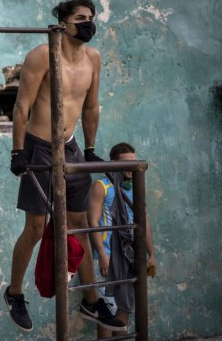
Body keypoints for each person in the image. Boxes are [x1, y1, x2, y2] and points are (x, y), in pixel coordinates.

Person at [4, 0, 126, 332]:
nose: (88, 23)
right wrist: (18, 152)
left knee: (79, 224)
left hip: (70, 147)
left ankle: (91, 302)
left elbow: (90, 107)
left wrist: (89, 148)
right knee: (36, 227)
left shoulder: (93, 58)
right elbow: (21, 106)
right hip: (39, 147)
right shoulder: (43, 55)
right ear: (63, 23)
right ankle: (14, 293)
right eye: (81, 18)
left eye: (91, 17)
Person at [88, 142, 156, 339]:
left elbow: (145, 223)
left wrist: (151, 254)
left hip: (130, 258)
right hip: (108, 257)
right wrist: (102, 254)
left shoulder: (137, 187)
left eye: (133, 163)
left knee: (126, 305)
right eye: (125, 163)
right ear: (114, 163)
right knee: (108, 311)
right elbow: (93, 222)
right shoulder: (102, 187)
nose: (130, 167)